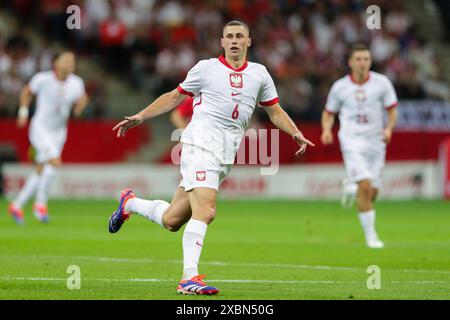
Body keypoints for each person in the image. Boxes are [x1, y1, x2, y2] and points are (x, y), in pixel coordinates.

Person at [108, 20, 315, 295]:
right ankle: (188, 278)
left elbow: (274, 111)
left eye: (239, 36)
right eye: (229, 36)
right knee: (206, 211)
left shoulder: (260, 74)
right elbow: (174, 98)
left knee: (172, 220)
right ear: (221, 42)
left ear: (248, 41)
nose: (234, 41)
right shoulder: (206, 68)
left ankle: (129, 203)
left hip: (224, 156)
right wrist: (141, 116)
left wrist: (296, 132)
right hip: (199, 146)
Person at [320, 44, 398, 249]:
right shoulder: (340, 87)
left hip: (376, 142)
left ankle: (350, 187)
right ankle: (371, 237)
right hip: (352, 141)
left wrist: (389, 128)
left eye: (366, 59)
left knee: (371, 193)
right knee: (365, 186)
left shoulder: (382, 83)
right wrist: (327, 130)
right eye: (359, 59)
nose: (363, 62)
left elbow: (392, 109)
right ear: (350, 62)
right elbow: (329, 112)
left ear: (370, 61)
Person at [9, 51, 88, 224]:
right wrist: (23, 112)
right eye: (66, 60)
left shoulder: (76, 83)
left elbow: (82, 98)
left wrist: (79, 108)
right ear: (56, 63)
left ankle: (17, 205)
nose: (70, 64)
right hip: (40, 128)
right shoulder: (42, 79)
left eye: (72, 61)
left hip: (59, 131)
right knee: (54, 161)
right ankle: (40, 205)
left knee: (44, 169)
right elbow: (26, 92)